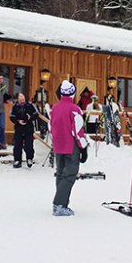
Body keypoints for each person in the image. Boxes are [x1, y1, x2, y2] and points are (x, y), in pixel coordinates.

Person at [50, 81, 89, 217]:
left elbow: (51, 127)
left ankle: (62, 203)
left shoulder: (54, 108)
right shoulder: (74, 109)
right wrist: (83, 147)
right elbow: (77, 130)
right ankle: (59, 204)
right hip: (70, 145)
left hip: (58, 145)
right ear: (73, 93)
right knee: (70, 175)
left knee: (60, 174)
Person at [9, 92, 38, 168]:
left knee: (29, 145)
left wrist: (30, 117)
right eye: (20, 99)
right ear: (18, 100)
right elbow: (11, 116)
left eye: (23, 99)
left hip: (28, 127)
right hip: (19, 127)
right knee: (17, 145)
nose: (22, 101)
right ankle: (17, 160)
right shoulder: (15, 107)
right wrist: (18, 121)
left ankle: (29, 158)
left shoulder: (30, 105)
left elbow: (36, 114)